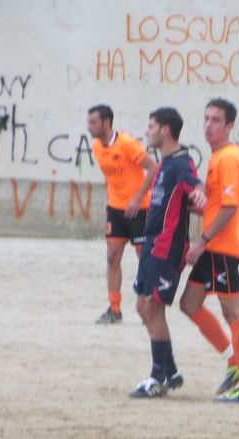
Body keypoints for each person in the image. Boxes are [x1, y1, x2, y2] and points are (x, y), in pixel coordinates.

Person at [179, 98, 239, 404]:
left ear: (229, 126)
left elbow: (230, 207)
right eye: (206, 118)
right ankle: (233, 361)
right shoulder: (219, 157)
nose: (208, 125)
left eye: (216, 120)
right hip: (215, 245)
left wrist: (202, 242)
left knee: (233, 312)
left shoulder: (228, 158)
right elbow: (219, 205)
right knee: (189, 303)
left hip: (221, 247)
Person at [130, 107, 205, 399]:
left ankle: (158, 377)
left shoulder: (182, 163)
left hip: (167, 246)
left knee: (153, 308)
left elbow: (195, 185)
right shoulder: (165, 162)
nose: (146, 132)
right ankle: (170, 370)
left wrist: (199, 193)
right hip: (152, 243)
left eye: (150, 126)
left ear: (164, 130)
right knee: (141, 307)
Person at [87, 104, 158, 325]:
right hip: (116, 209)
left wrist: (138, 198)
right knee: (112, 256)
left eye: (93, 122)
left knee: (144, 258)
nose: (89, 126)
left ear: (106, 122)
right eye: (89, 122)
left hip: (140, 209)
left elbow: (153, 168)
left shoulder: (127, 143)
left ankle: (149, 305)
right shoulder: (97, 147)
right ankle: (114, 309)